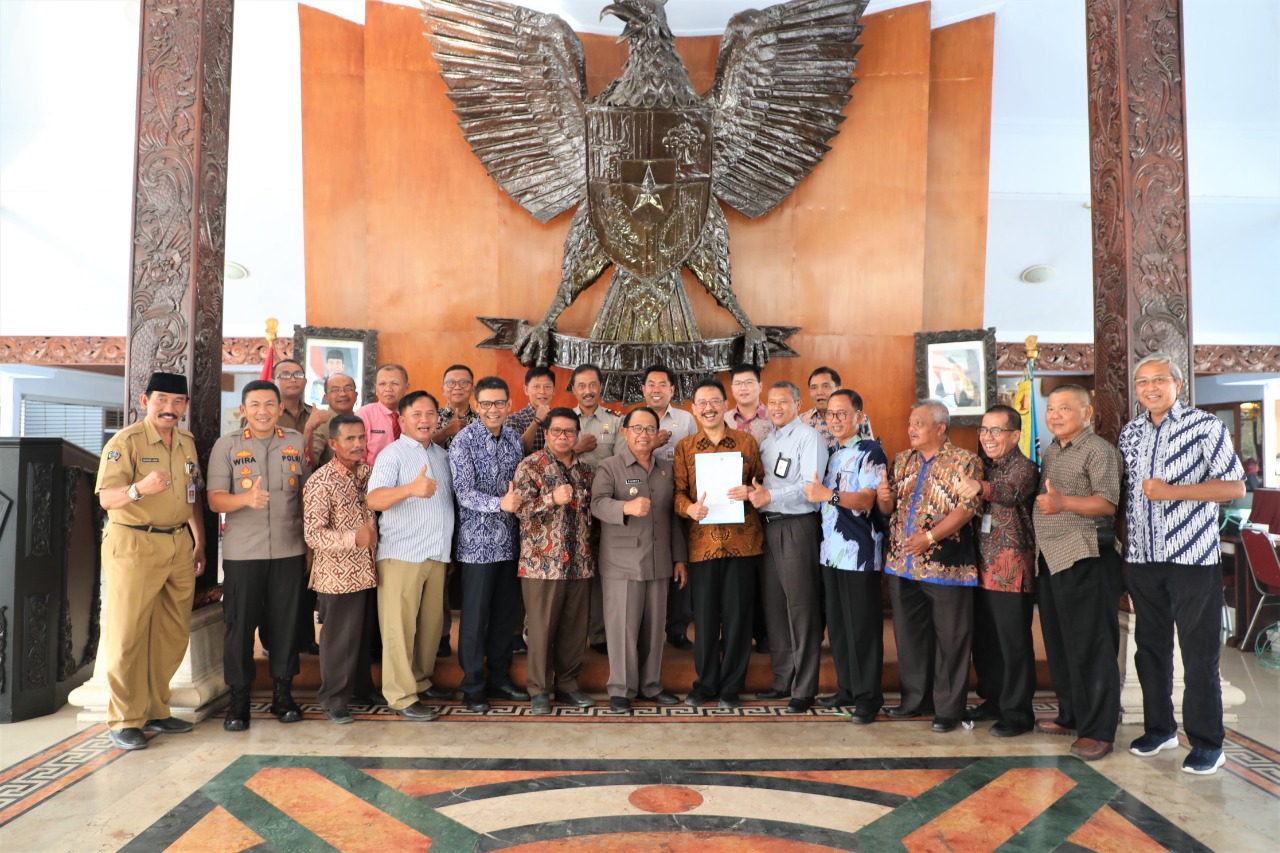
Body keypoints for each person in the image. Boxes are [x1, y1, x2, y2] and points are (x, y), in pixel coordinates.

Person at [1119, 354, 1245, 775]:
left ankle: (1208, 742)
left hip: (1191, 559)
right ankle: (1160, 730)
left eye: (1159, 379)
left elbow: (1234, 486)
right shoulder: (1130, 433)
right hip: (1142, 558)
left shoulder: (1205, 426)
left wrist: (1174, 492)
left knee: (1198, 653)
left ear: (1177, 383)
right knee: (1150, 650)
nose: (1150, 388)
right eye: (1142, 382)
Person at [94, 371, 206, 751]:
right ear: (145, 402)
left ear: (185, 406)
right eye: (161, 400)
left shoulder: (186, 443)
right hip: (135, 544)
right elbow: (107, 498)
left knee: (171, 634)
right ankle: (125, 719)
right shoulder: (125, 442)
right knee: (127, 634)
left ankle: (157, 708)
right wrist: (139, 489)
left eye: (177, 402)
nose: (169, 408)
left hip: (178, 544)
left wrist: (200, 542)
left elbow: (191, 496)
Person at [207, 380, 310, 731]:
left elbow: (306, 497)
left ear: (280, 408)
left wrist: (310, 548)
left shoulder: (295, 442)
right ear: (243, 410)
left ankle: (283, 695)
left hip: (289, 548)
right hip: (244, 553)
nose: (262, 411)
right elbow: (215, 499)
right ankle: (239, 700)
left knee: (286, 625)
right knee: (239, 627)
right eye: (255, 405)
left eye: (269, 404)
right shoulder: (227, 445)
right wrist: (245, 500)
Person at [1032, 384, 1123, 762]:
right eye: (1051, 408)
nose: (1054, 415)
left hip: (1086, 556)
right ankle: (1071, 714)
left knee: (1092, 648)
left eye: (1064, 408)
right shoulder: (1053, 449)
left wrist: (1063, 503)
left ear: (1087, 412)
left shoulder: (1099, 450)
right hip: (1051, 557)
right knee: (1060, 643)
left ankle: (1099, 731)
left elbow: (1107, 504)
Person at [879, 400, 982, 733]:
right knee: (909, 637)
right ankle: (914, 700)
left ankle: (948, 710)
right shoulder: (902, 460)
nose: (911, 428)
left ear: (940, 428)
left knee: (951, 639)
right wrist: (883, 498)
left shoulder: (965, 460)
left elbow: (966, 509)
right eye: (910, 422)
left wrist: (930, 537)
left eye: (918, 423)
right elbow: (889, 507)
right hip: (903, 564)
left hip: (946, 565)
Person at [673, 378, 765, 710]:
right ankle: (706, 683)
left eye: (715, 401)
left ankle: (731, 687)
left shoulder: (746, 442)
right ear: (694, 409)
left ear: (725, 405)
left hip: (743, 544)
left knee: (739, 618)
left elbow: (760, 485)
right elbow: (678, 494)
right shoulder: (685, 447)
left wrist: (749, 492)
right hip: (702, 545)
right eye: (702, 403)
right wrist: (689, 509)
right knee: (706, 618)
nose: (709, 408)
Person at [366, 391, 457, 721]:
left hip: (436, 554)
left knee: (430, 628)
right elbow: (374, 499)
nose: (424, 420)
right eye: (416, 414)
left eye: (430, 413)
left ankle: (419, 681)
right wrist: (410, 489)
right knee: (399, 629)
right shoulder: (392, 454)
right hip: (401, 555)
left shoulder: (442, 455)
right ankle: (400, 696)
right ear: (402, 420)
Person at [592, 406, 688, 712]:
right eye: (637, 428)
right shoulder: (610, 466)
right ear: (624, 432)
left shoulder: (666, 469)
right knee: (623, 628)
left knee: (654, 628)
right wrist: (625, 508)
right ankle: (621, 689)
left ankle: (651, 685)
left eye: (650, 429)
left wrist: (680, 558)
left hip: (659, 560)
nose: (643, 434)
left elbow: (674, 516)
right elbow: (597, 504)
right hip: (622, 562)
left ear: (657, 434)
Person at [955, 405, 1039, 737]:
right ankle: (994, 700)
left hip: (1010, 572)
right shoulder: (981, 466)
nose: (987, 437)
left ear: (1015, 435)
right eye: (984, 430)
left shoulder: (1025, 468)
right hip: (979, 570)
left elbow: (1011, 493)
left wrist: (979, 487)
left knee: (1013, 645)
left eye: (996, 431)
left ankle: (1018, 714)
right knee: (986, 642)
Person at [449, 376, 530, 712]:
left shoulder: (513, 439)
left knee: (504, 617)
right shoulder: (463, 441)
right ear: (476, 405)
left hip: (509, 543)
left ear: (509, 405)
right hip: (477, 546)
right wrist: (500, 504)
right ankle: (472, 686)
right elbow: (463, 493)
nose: (493, 409)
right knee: (475, 618)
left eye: (499, 403)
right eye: (486, 403)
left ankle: (499, 678)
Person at [748, 381, 828, 712]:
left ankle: (805, 688)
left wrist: (771, 495)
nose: (777, 407)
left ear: (798, 404)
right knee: (776, 608)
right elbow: (765, 485)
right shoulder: (768, 442)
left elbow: (811, 487)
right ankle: (783, 680)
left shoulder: (809, 438)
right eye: (772, 402)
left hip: (797, 526)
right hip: (769, 527)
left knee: (801, 608)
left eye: (784, 401)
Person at [514, 408, 597, 714]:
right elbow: (519, 510)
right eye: (557, 431)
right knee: (541, 630)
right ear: (546, 434)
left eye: (569, 431)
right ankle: (539, 690)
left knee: (574, 629)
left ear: (577, 435)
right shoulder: (531, 465)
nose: (563, 437)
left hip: (580, 561)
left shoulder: (586, 470)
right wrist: (552, 498)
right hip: (542, 564)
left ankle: (568, 685)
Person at [302, 414, 379, 724]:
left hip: (368, 570)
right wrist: (352, 538)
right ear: (333, 443)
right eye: (350, 438)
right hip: (338, 575)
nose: (358, 444)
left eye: (361, 437)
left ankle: (361, 688)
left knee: (362, 637)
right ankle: (333, 699)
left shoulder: (368, 473)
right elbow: (313, 534)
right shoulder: (321, 481)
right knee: (339, 641)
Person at [642, 363, 698, 650]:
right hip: (644, 500)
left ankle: (677, 628)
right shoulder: (635, 419)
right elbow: (625, 456)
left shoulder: (686, 419)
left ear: (672, 389)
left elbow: (697, 456)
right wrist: (651, 444)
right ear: (643, 389)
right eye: (651, 384)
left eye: (662, 384)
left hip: (679, 498)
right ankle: (647, 628)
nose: (656, 389)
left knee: (681, 558)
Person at [570, 362, 623, 656]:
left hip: (603, 508)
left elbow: (621, 464)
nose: (588, 391)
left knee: (603, 571)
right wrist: (576, 449)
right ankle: (573, 634)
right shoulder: (564, 420)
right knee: (574, 571)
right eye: (581, 386)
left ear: (600, 387)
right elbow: (550, 459)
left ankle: (600, 633)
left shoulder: (615, 421)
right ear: (574, 389)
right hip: (569, 509)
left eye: (592, 385)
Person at [802, 366, 875, 452]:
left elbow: (870, 450)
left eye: (826, 386)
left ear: (838, 389)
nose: (819, 392)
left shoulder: (857, 418)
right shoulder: (802, 421)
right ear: (809, 392)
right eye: (814, 387)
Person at [303, 373, 359, 469]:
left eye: (348, 388)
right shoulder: (320, 424)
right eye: (335, 390)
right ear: (326, 397)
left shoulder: (363, 419)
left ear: (356, 394)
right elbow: (309, 463)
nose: (343, 394)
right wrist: (309, 429)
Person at [357, 364, 409, 465]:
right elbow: (358, 458)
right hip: (373, 473)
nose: (388, 389)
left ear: (406, 388)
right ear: (376, 388)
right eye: (382, 384)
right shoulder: (364, 414)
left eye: (394, 383)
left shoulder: (415, 415)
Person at [505, 365, 557, 455]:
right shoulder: (514, 419)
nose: (542, 391)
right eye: (536, 386)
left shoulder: (560, 419)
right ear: (526, 390)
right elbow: (515, 452)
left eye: (547, 386)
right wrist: (536, 421)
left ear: (554, 390)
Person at [433, 364, 480, 450]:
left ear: (473, 390)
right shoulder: (431, 416)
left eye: (463, 382)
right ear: (443, 390)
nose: (457, 387)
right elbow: (418, 448)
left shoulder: (481, 420)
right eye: (451, 382)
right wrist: (445, 432)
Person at [725, 363, 775, 445]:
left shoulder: (774, 418)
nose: (743, 388)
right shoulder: (724, 420)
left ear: (760, 386)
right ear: (732, 389)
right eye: (737, 383)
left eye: (749, 382)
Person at [271, 359, 314, 434]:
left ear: (305, 381)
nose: (293, 380)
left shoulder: (313, 414)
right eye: (285, 375)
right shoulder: (266, 414)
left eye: (298, 375)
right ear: (273, 382)